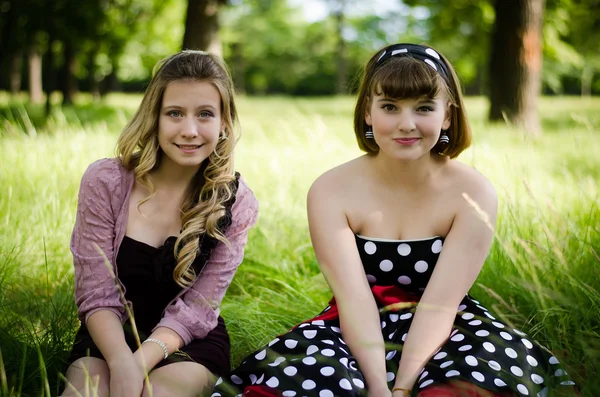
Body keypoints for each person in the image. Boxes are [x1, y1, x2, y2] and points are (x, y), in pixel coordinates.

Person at [210, 43, 577, 397]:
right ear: (368, 112)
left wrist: (403, 386)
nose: (406, 124)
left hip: (447, 324)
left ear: (447, 114)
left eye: (423, 108)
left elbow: (441, 305)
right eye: (390, 106)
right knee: (313, 380)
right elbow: (354, 300)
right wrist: (377, 387)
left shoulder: (473, 192)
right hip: (353, 326)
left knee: (475, 377)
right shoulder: (331, 190)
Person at [60, 50, 259, 397]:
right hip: (110, 334)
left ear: (224, 124)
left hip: (186, 341)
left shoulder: (236, 202)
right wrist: (121, 361)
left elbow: (198, 307)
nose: (190, 130)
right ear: (155, 117)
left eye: (205, 114)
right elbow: (96, 292)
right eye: (175, 113)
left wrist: (139, 365)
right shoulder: (106, 181)